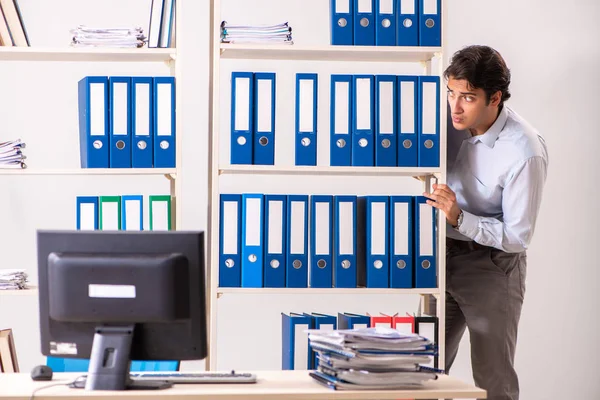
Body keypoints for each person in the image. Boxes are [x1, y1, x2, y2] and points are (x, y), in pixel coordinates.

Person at [423, 45, 549, 400]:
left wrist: (460, 217)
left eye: (468, 97)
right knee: (424, 370)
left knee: (492, 379)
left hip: (491, 265)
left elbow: (517, 236)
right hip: (439, 256)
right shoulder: (444, 119)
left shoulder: (524, 151)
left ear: (495, 98)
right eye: (451, 93)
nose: (455, 107)